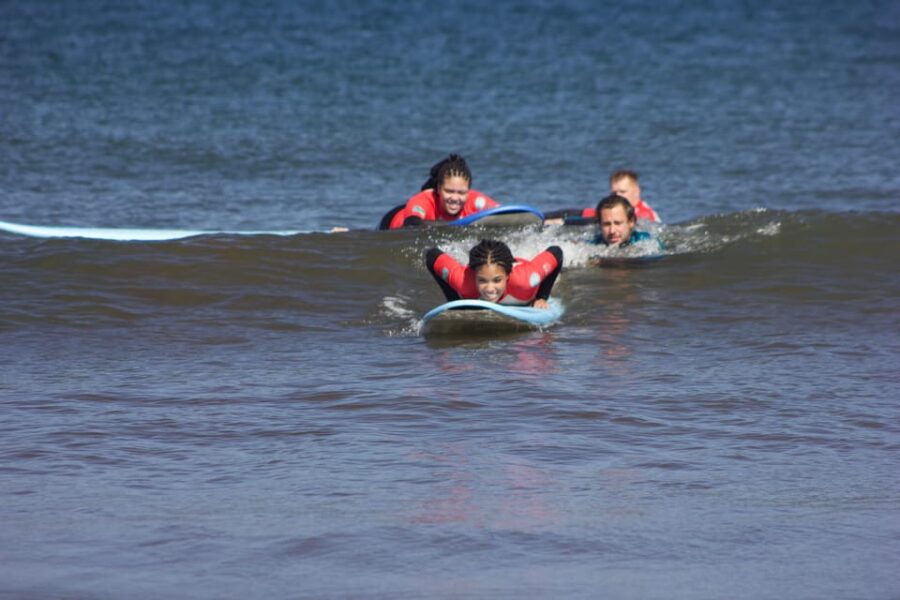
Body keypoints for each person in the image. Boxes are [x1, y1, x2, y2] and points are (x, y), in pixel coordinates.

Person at [425, 239, 562, 309]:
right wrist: (455, 301)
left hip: (522, 267)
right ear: (474, 276)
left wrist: (542, 297)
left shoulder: (526, 280)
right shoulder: (464, 282)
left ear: (507, 276)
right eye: (482, 281)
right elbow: (431, 256)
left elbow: (556, 252)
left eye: (497, 281)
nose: (490, 289)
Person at [384, 154, 500, 229]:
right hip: (390, 221)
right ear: (439, 188)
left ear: (468, 191)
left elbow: (505, 213)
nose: (455, 198)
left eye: (461, 193)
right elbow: (412, 224)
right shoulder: (422, 201)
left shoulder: (475, 200)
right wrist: (458, 225)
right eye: (449, 191)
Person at [543, 169, 661, 225]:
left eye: (622, 192)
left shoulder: (644, 214)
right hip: (590, 215)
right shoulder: (610, 209)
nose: (618, 196)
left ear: (637, 191)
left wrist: (562, 222)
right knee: (565, 213)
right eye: (614, 193)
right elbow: (584, 214)